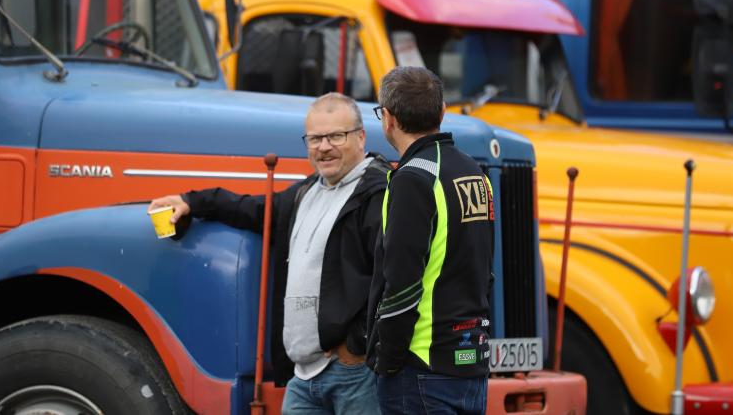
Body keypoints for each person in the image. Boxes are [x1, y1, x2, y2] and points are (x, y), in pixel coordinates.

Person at [148, 92, 389, 415]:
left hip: (354, 374)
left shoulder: (380, 193)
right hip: (303, 376)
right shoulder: (307, 192)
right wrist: (192, 201)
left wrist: (358, 345)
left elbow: (394, 276)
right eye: (315, 138)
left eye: (335, 136)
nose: (324, 147)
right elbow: (252, 209)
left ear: (360, 137)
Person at [367, 66, 494, 414]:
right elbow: (484, 267)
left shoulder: (412, 178)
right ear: (441, 112)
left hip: (421, 366)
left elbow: (402, 284)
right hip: (470, 361)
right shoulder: (475, 173)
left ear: (388, 119)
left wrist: (388, 360)